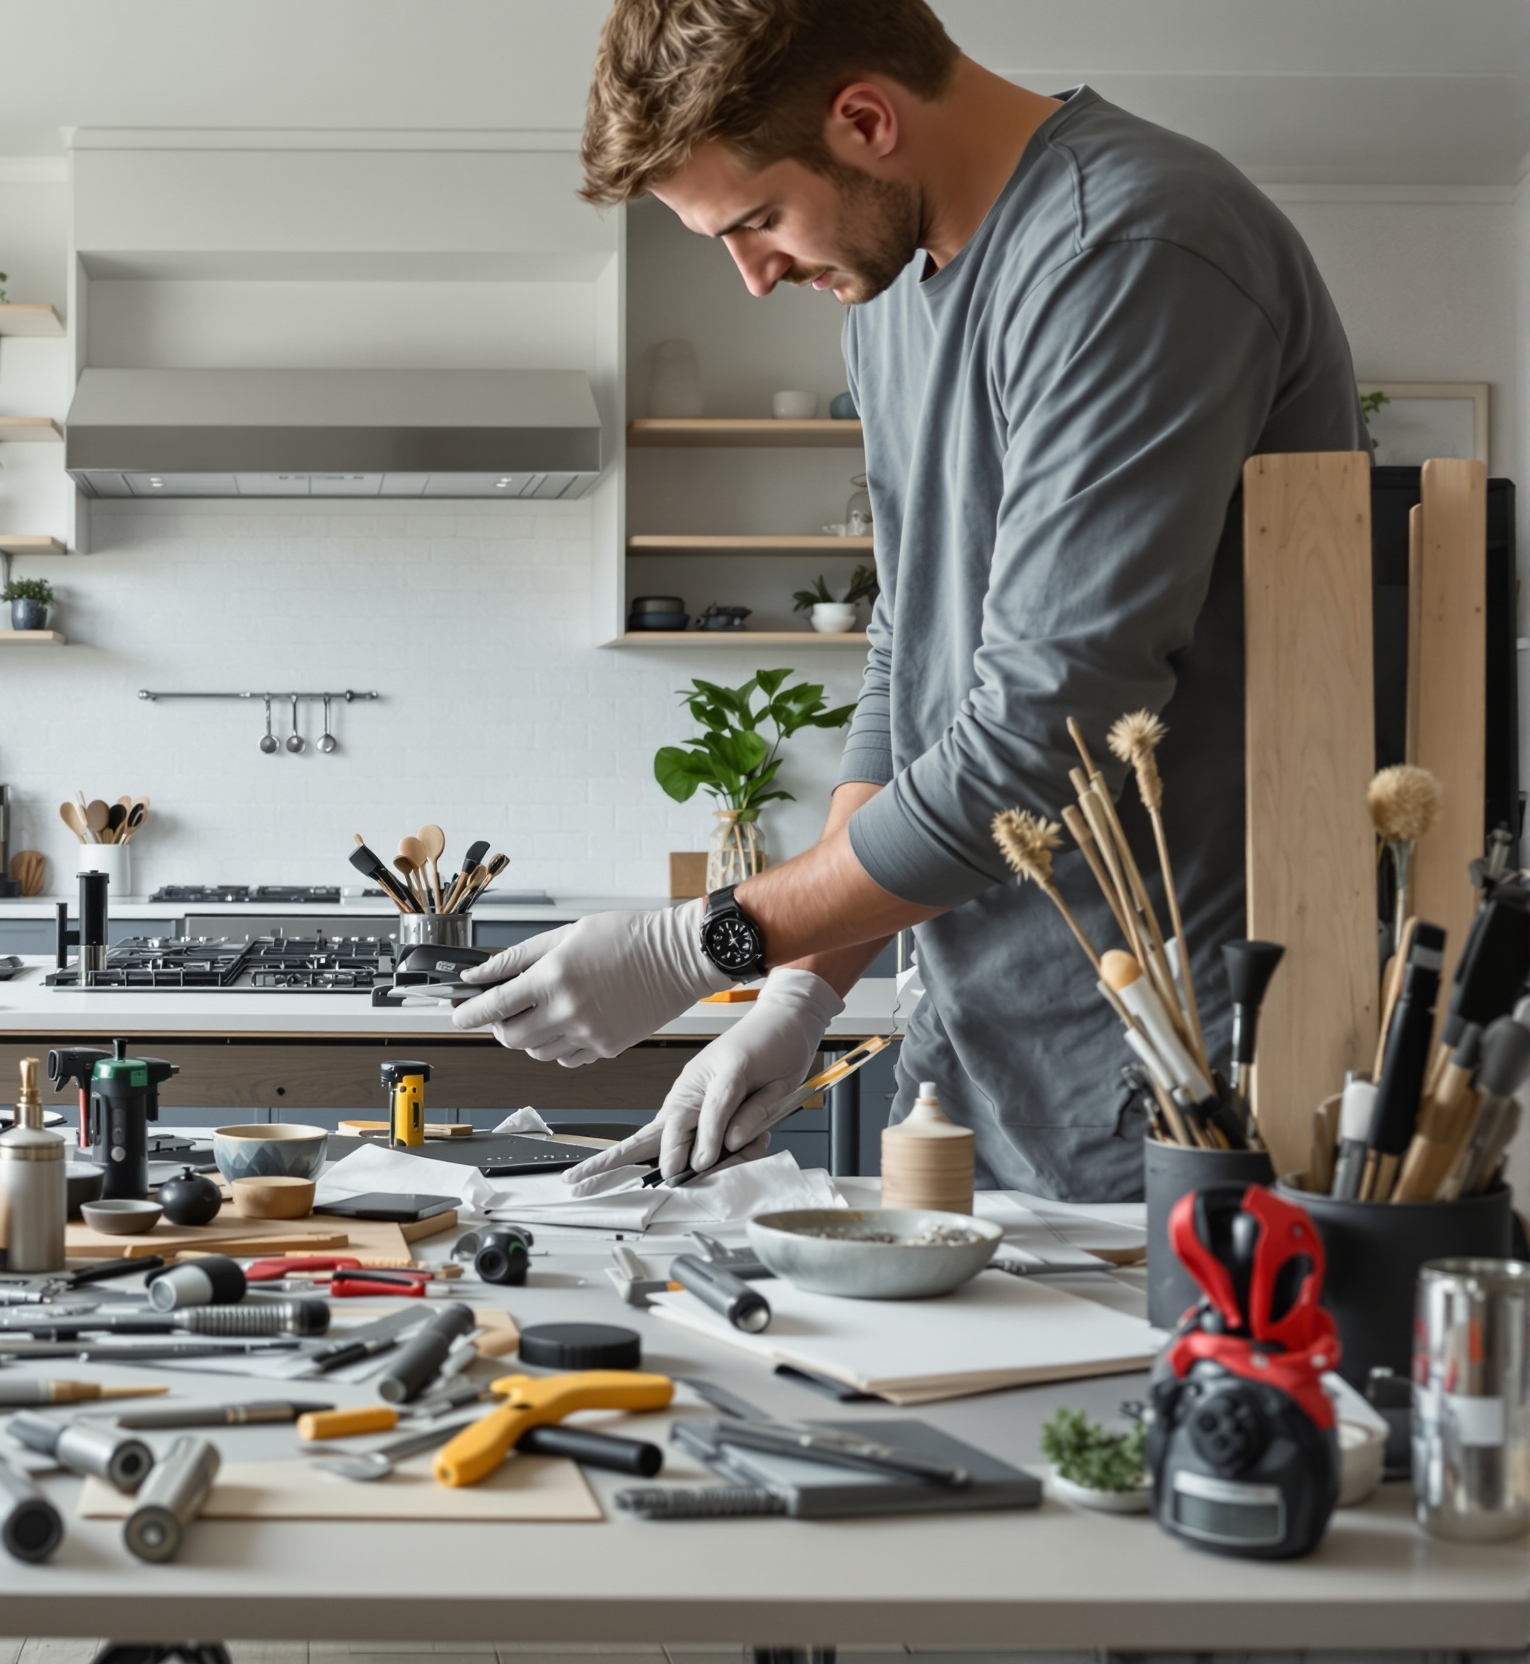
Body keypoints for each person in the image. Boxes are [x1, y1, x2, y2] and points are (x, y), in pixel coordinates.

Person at [452, 0, 1361, 1201]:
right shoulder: (883, 298)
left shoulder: (1128, 249)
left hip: (1178, 1049)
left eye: (760, 219)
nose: (757, 275)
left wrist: (700, 940)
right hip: (974, 1037)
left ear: (867, 118)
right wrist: (800, 987)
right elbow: (908, 666)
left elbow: (1045, 738)